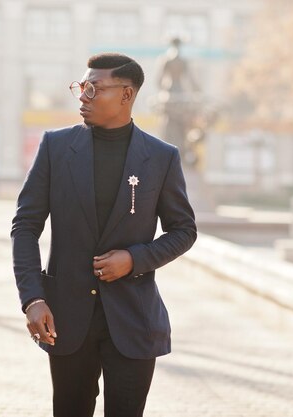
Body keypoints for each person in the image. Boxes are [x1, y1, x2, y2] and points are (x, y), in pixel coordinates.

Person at [11, 53, 197, 417]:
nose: (83, 95)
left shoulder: (161, 157)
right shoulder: (56, 148)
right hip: (66, 319)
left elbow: (184, 230)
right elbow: (25, 225)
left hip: (133, 320)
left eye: (94, 88)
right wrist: (32, 298)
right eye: (81, 87)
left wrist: (134, 259)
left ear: (126, 95)